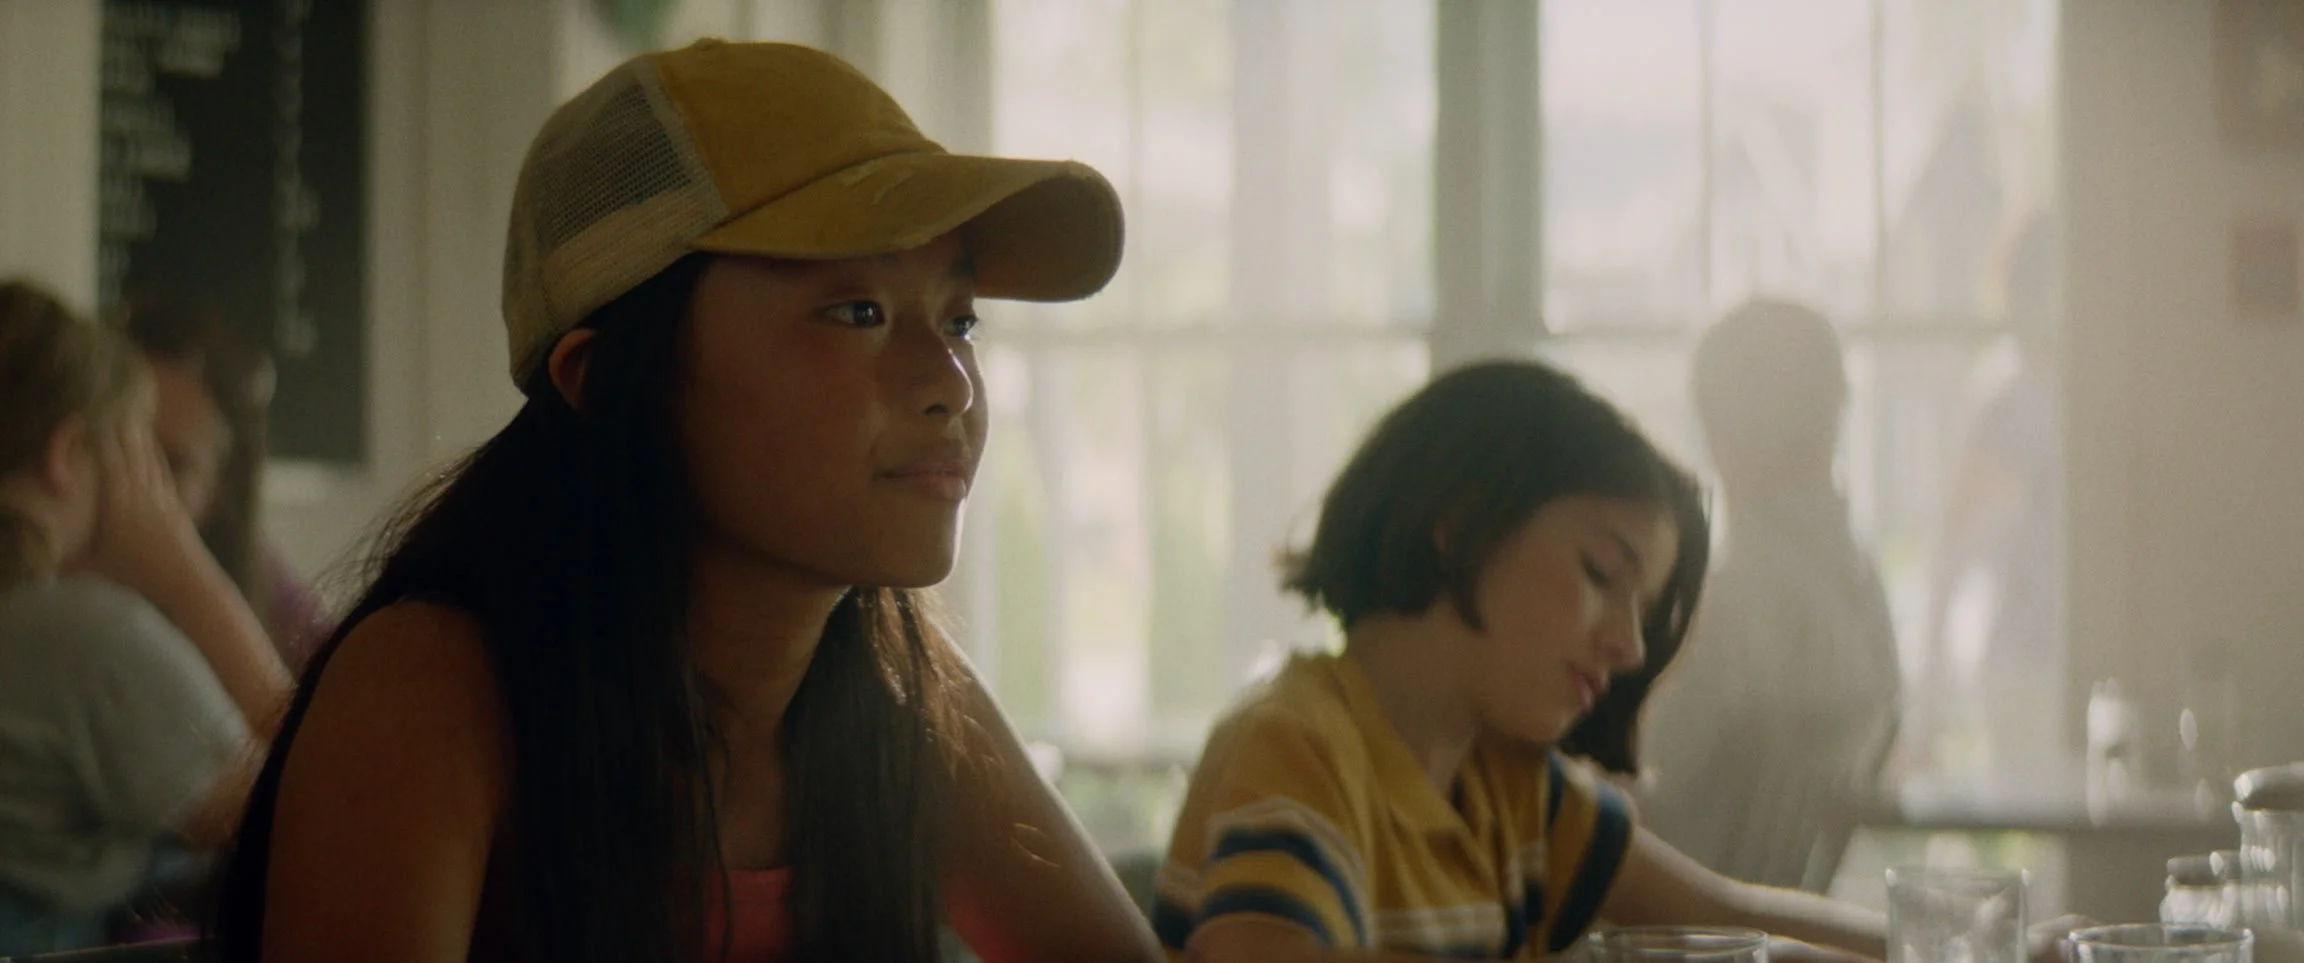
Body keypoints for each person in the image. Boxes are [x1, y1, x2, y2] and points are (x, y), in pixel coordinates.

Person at [207, 41, 1159, 963]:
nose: (950, 379)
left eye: (958, 319)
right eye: (857, 311)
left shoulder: (898, 690)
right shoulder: (435, 690)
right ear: (610, 376)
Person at [1153, 360, 2073, 963]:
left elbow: (1734, 918)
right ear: (1460, 522)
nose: (1632, 644)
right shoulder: (1299, 752)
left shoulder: (1507, 784)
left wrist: (1979, 953)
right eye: (1603, 573)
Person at [0, 280, 288, 954]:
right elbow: (318, 808)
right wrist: (183, 574)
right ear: (68, 452)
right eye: (130, 454)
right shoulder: (83, 634)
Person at [1638, 298, 1902, 893]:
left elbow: (1636, 782)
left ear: (1716, 432)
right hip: (1788, 918)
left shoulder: (1735, 598)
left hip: (1678, 925)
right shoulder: (1861, 586)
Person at [117, 298, 331, 668]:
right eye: (124, 446)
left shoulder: (272, 596)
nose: (138, 479)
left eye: (173, 465)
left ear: (220, 490)